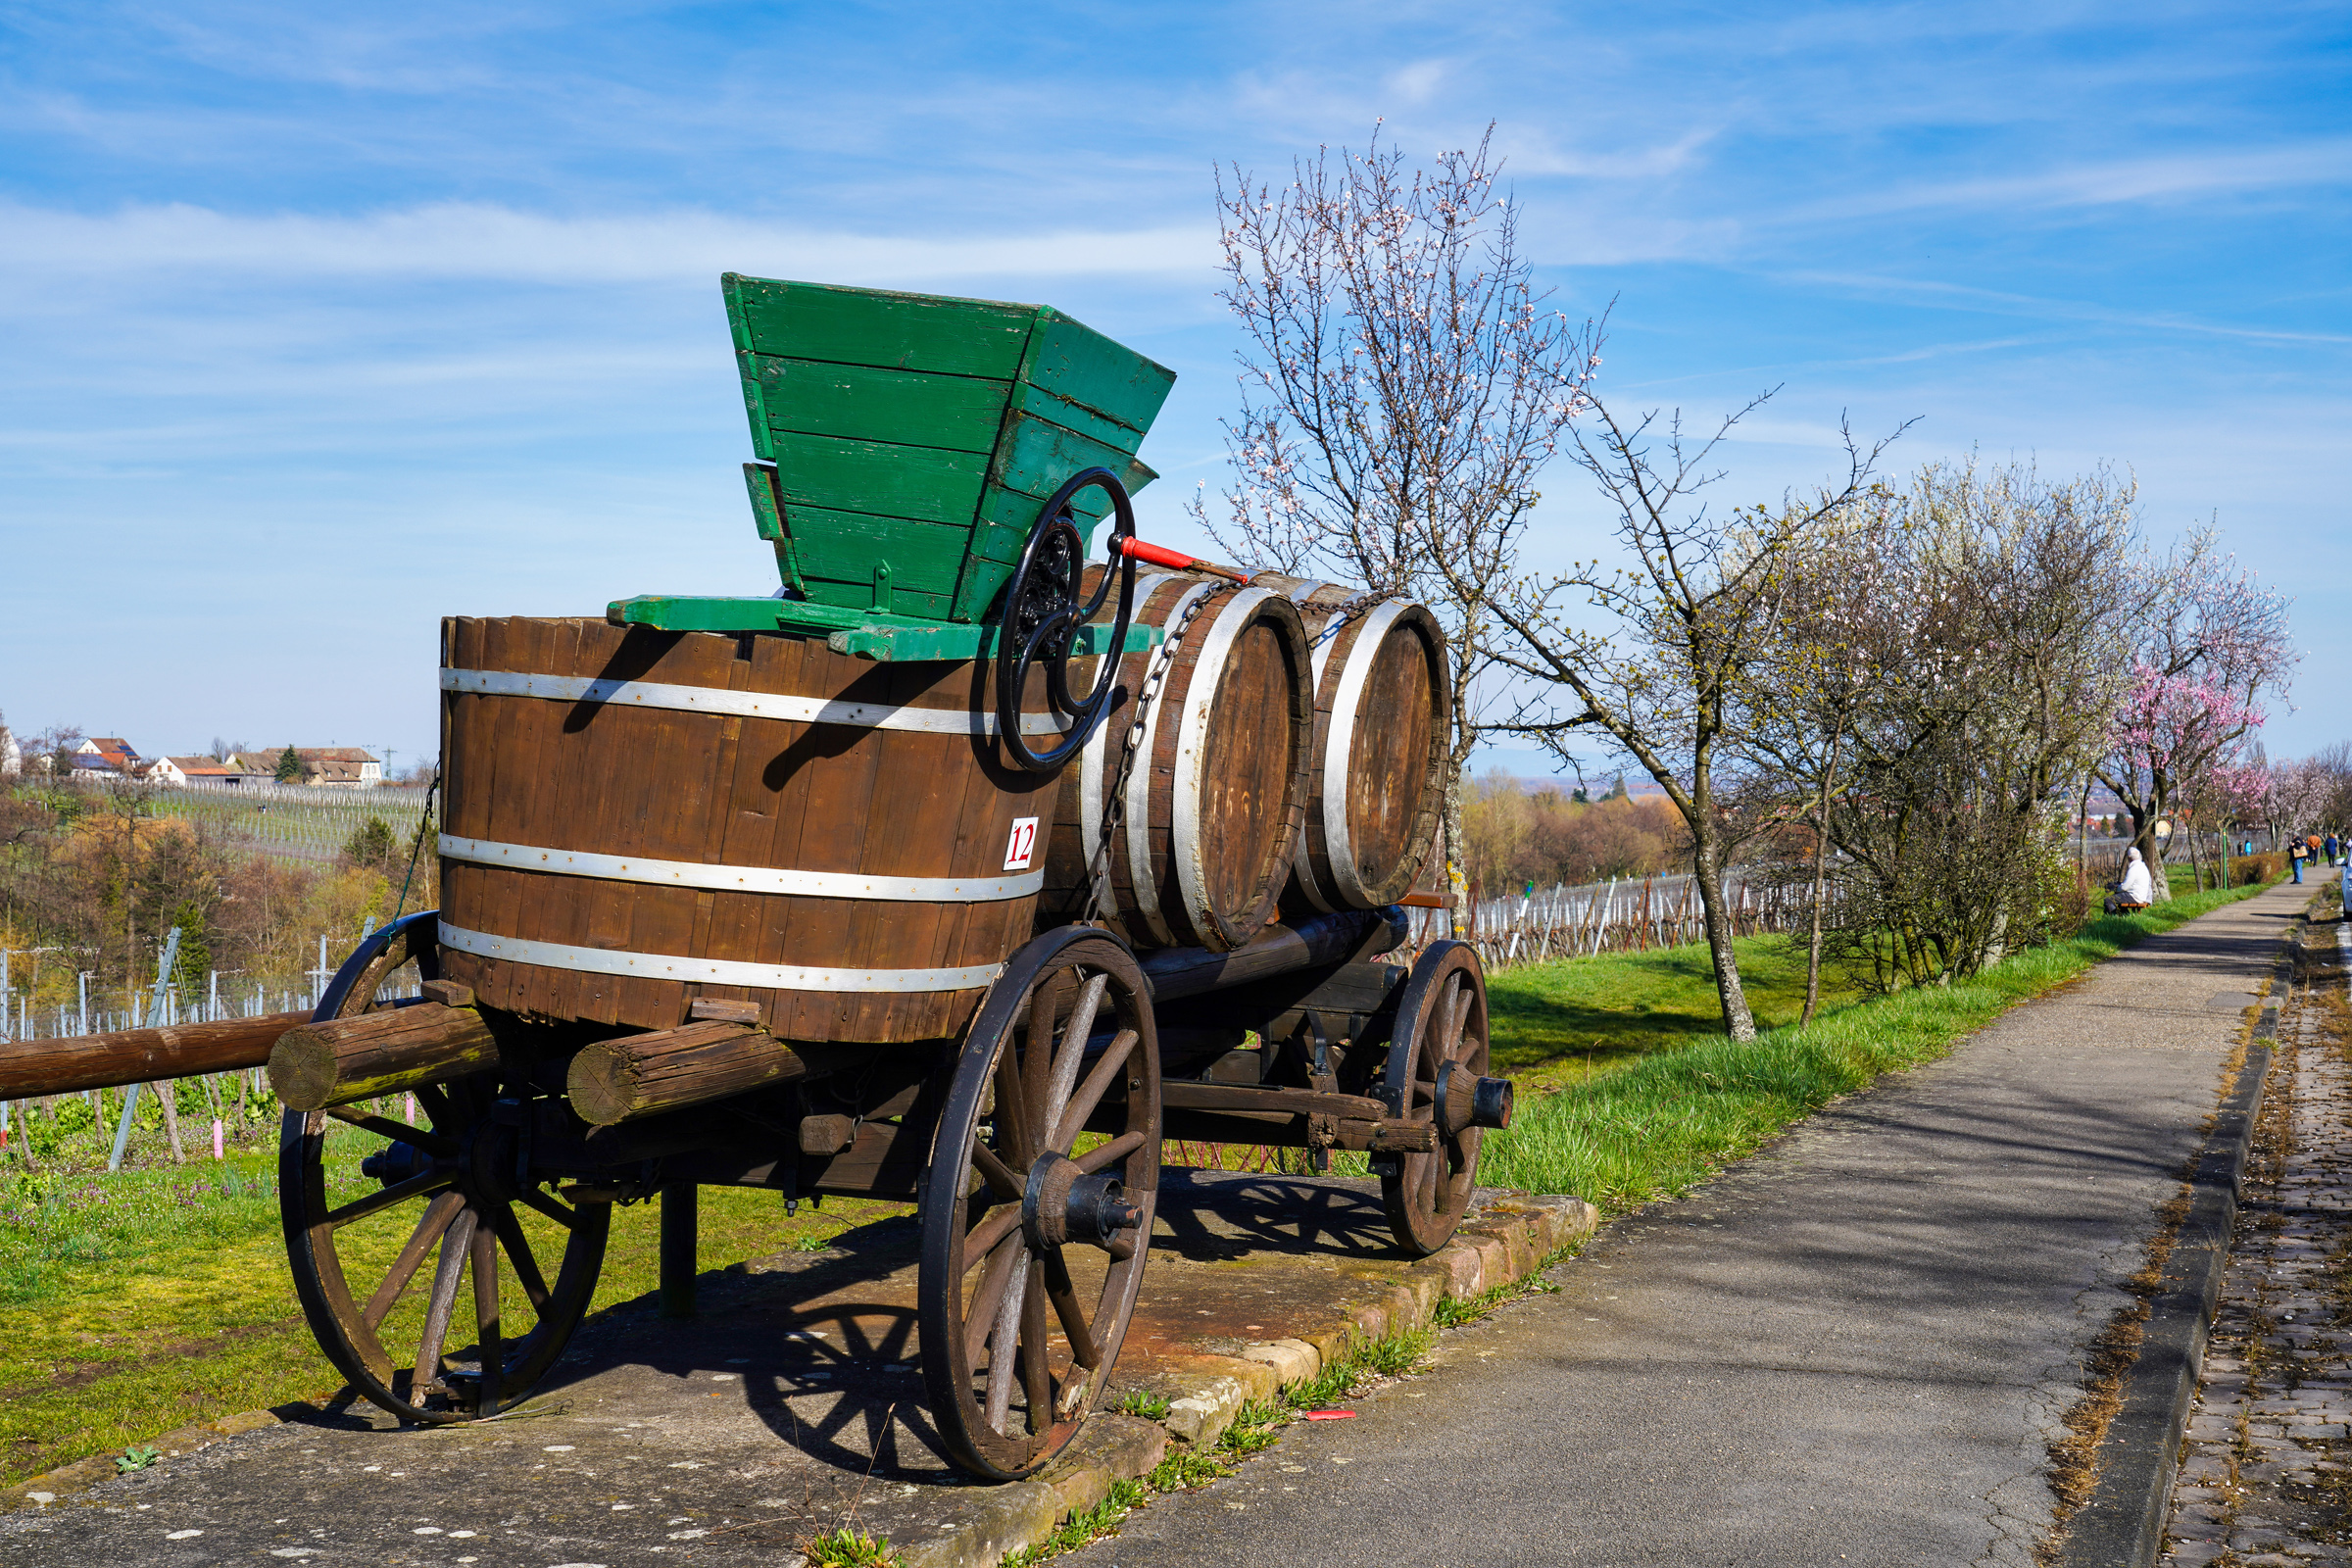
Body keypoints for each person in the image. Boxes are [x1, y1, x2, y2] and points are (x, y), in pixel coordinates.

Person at [2105, 846, 2155, 913]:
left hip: (2135, 896)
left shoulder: (2133, 869)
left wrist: (2116, 889)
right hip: (2142, 895)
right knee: (2118, 898)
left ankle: (2115, 918)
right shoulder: (2143, 866)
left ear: (2129, 858)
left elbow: (2124, 887)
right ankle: (2124, 916)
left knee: (2109, 900)